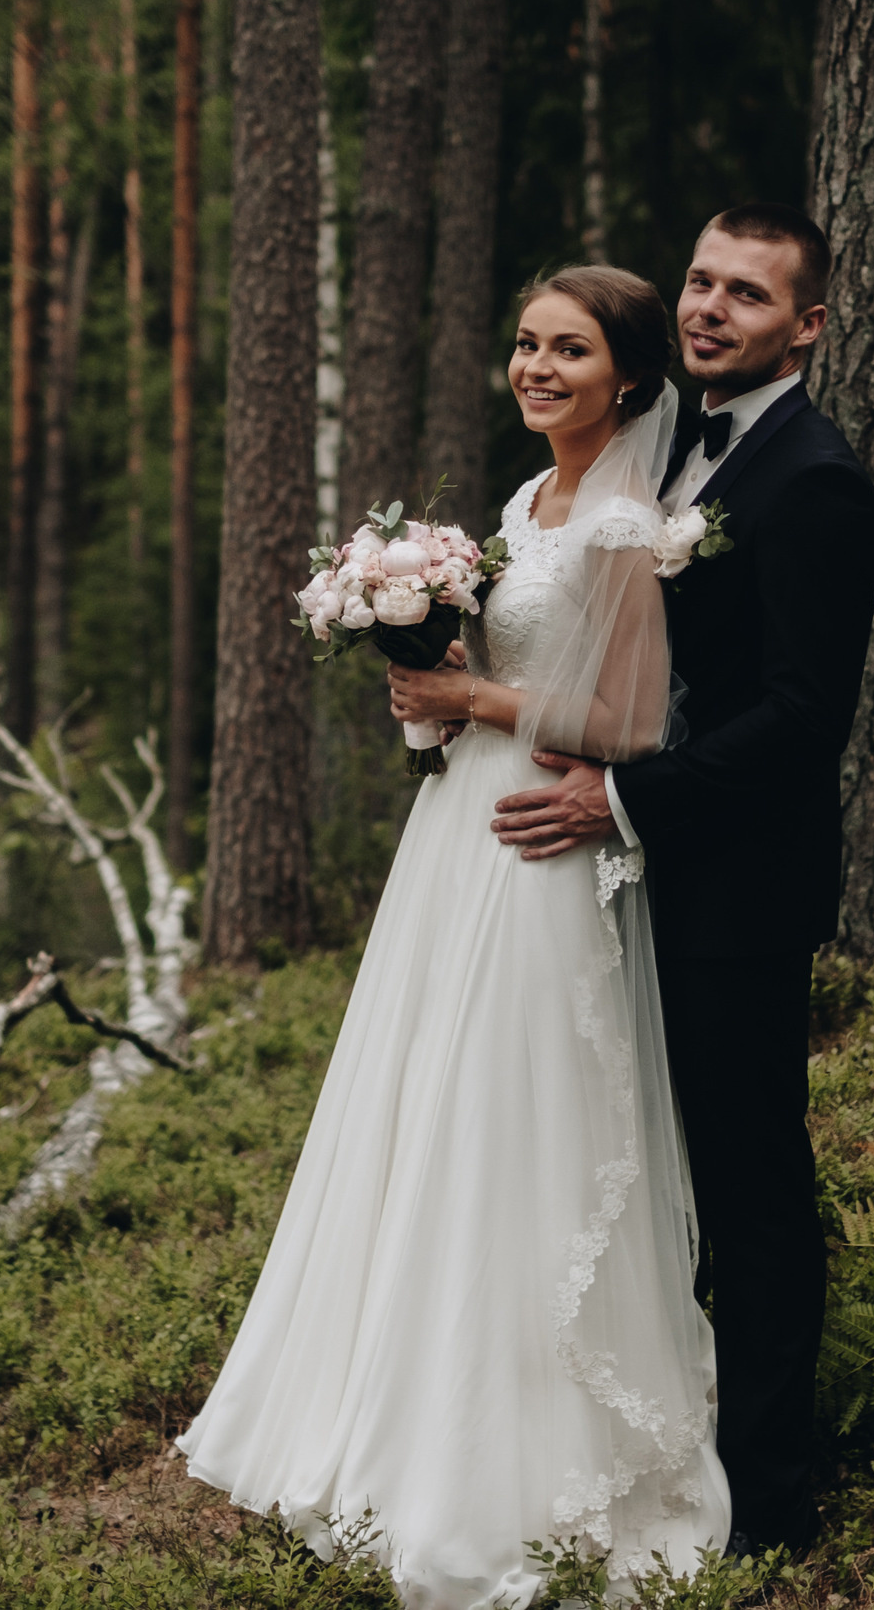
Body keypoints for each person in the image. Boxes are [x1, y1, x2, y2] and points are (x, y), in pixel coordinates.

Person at [178, 266, 728, 1607]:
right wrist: (425, 686)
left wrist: (477, 694)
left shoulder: (624, 524)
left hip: (541, 839)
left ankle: (519, 1448)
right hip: (459, 836)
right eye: (528, 344)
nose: (537, 367)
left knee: (516, 1113)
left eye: (570, 351)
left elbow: (637, 722)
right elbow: (502, 675)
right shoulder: (522, 503)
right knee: (433, 1099)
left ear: (633, 382)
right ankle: (399, 1402)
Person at [489, 204, 874, 1555]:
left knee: (748, 1187)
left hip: (735, 894)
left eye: (752, 297)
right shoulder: (668, 459)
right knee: (633, 1174)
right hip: (634, 882)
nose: (714, 308)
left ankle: (770, 1507)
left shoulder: (814, 479)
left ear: (809, 326)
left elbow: (797, 714)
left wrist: (623, 794)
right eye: (704, 283)